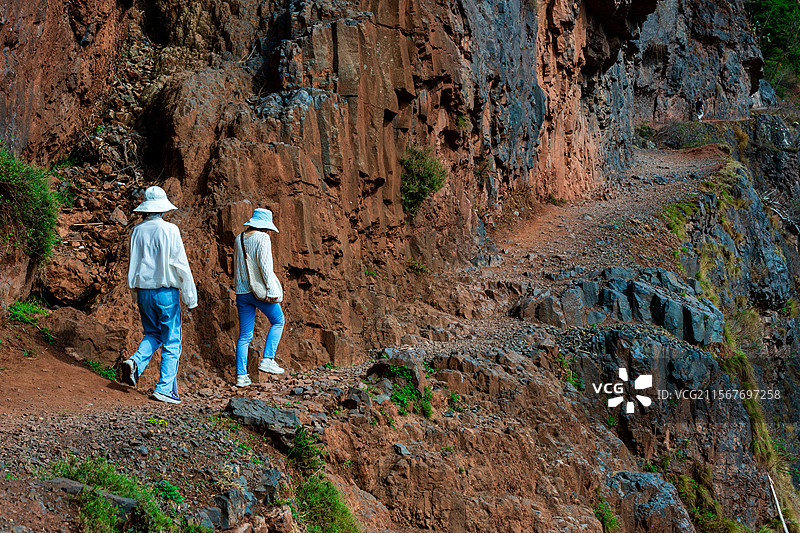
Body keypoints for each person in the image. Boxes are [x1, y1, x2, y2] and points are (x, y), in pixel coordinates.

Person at [121, 186, 197, 404]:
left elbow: (133, 265)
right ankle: (164, 389)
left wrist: (135, 293)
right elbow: (181, 265)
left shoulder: (137, 231)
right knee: (172, 340)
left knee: (153, 333)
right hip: (165, 293)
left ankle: (135, 362)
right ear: (163, 208)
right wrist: (190, 297)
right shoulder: (170, 230)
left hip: (143, 292)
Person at [233, 208, 286, 387]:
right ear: (265, 226)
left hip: (242, 292)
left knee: (244, 336)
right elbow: (265, 267)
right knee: (278, 320)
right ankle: (268, 359)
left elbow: (237, 267)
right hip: (259, 293)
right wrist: (272, 291)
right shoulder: (262, 238)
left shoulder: (238, 238)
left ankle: (241, 376)